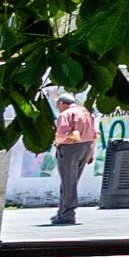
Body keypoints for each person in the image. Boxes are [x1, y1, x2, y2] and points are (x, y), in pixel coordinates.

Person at [47, 95, 98, 226]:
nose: (58, 108)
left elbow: (61, 135)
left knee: (68, 183)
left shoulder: (66, 114)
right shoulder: (85, 112)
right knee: (70, 182)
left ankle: (68, 214)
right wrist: (91, 153)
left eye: (58, 105)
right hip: (85, 148)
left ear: (63, 104)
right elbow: (95, 134)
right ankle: (62, 212)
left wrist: (55, 141)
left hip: (70, 149)